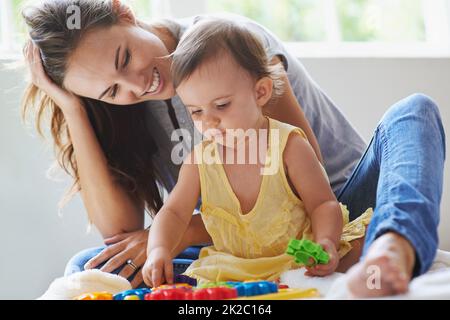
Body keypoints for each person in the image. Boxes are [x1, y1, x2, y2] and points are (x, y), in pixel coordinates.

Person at [21, 0, 445, 297]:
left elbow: (293, 191)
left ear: (125, 12)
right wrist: (74, 108)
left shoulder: (226, 43)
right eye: (111, 90)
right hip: (237, 236)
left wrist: (179, 231)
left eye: (124, 57)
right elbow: (119, 230)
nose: (136, 84)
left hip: (336, 207)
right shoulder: (121, 108)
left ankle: (393, 243)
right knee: (90, 269)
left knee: (413, 112)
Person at [141, 19, 373, 287]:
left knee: (363, 239)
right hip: (235, 270)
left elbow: (322, 203)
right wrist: (157, 250)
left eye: (222, 105)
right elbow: (173, 214)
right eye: (196, 111)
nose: (208, 122)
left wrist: (326, 243)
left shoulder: (289, 146)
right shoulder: (199, 162)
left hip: (295, 263)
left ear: (260, 92)